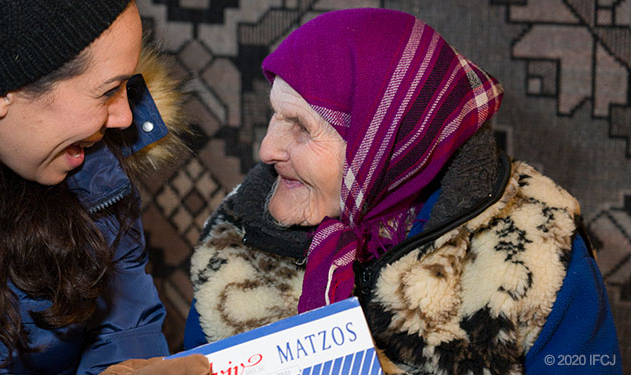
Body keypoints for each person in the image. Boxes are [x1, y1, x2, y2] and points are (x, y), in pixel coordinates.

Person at [184, 8, 622, 375]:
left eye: (301, 127)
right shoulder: (238, 234)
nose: (266, 149)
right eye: (275, 116)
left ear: (388, 143)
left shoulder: (537, 246)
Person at [0, 1, 209, 374]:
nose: (125, 118)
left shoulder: (99, 181)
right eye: (107, 91)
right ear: (1, 88)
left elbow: (122, 340)